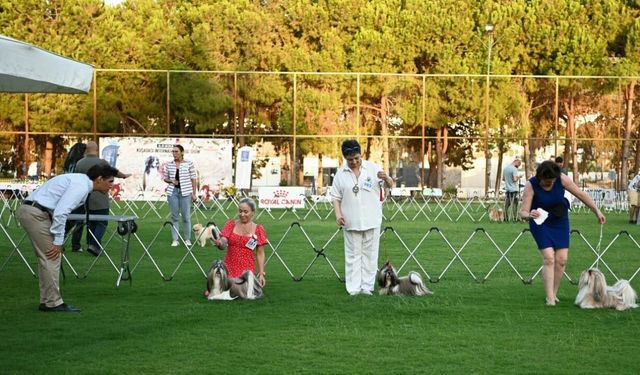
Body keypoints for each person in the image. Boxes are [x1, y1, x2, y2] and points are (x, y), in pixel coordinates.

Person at [16, 164, 119, 312]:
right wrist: (58, 241)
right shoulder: (81, 186)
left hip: (33, 211)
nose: (112, 185)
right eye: (110, 181)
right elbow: (61, 212)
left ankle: (48, 301)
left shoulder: (81, 181)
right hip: (36, 214)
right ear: (99, 179)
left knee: (47, 258)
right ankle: (53, 303)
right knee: (52, 256)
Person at [520, 160, 605, 306]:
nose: (550, 184)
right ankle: (550, 298)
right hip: (540, 223)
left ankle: (554, 292)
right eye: (547, 182)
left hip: (560, 221)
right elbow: (523, 212)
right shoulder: (531, 185)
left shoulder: (562, 179)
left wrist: (596, 211)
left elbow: (580, 194)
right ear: (540, 177)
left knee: (561, 260)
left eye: (553, 181)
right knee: (549, 258)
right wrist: (529, 214)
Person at [329, 140, 394, 295]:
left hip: (372, 219)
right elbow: (336, 197)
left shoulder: (373, 168)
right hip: (350, 220)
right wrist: (338, 215)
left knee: (370, 255)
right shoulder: (340, 174)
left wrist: (387, 178)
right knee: (353, 255)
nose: (354, 162)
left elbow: (390, 185)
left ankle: (367, 287)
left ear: (361, 154)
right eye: (350, 159)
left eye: (357, 158)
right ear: (345, 158)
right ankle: (353, 288)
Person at [70, 141, 131, 256]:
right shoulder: (102, 162)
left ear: (86, 150)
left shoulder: (79, 163)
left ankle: (85, 244)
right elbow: (113, 172)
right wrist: (124, 176)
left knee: (89, 222)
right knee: (102, 222)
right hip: (100, 197)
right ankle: (95, 244)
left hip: (84, 198)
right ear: (97, 150)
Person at [214, 197, 267, 287]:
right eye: (240, 211)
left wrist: (261, 274)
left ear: (253, 213)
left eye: (246, 212)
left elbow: (260, 253)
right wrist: (220, 243)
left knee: (240, 289)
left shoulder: (258, 229)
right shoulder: (230, 224)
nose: (242, 214)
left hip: (247, 269)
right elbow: (223, 242)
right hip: (229, 266)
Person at [163, 144, 197, 247]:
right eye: (173, 152)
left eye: (176, 151)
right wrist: (171, 181)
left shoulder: (189, 163)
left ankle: (187, 239)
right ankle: (175, 239)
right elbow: (165, 178)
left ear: (182, 152)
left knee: (186, 217)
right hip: (173, 193)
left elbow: (193, 178)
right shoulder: (169, 164)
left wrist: (194, 194)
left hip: (186, 193)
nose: (174, 153)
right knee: (174, 217)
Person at [502, 157, 522, 222]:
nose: (518, 167)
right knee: (515, 204)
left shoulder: (505, 169)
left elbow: (503, 179)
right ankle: (515, 218)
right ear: (516, 162)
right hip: (514, 190)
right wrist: (519, 177)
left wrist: (509, 180)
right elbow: (515, 179)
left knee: (506, 205)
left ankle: (505, 218)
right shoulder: (514, 169)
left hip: (508, 189)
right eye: (518, 165)